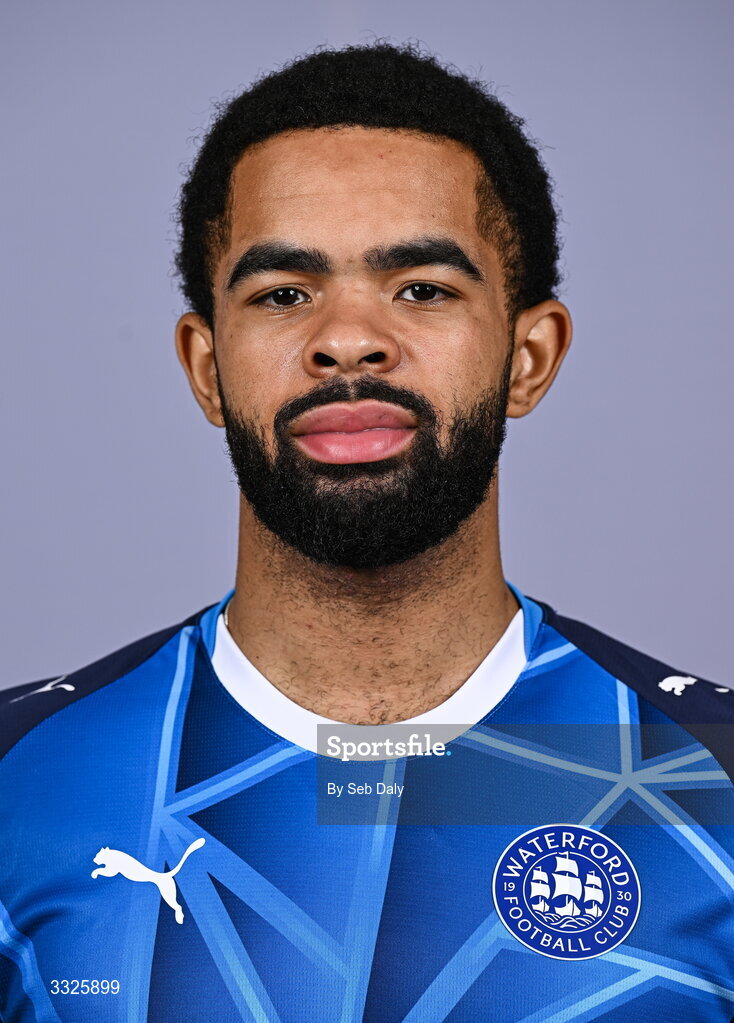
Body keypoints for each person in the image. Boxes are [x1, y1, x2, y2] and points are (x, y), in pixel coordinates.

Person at [1, 41, 732, 1023]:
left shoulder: (712, 774)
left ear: (528, 356)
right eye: (283, 294)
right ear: (206, 367)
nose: (347, 340)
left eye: (421, 288)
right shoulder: (16, 782)